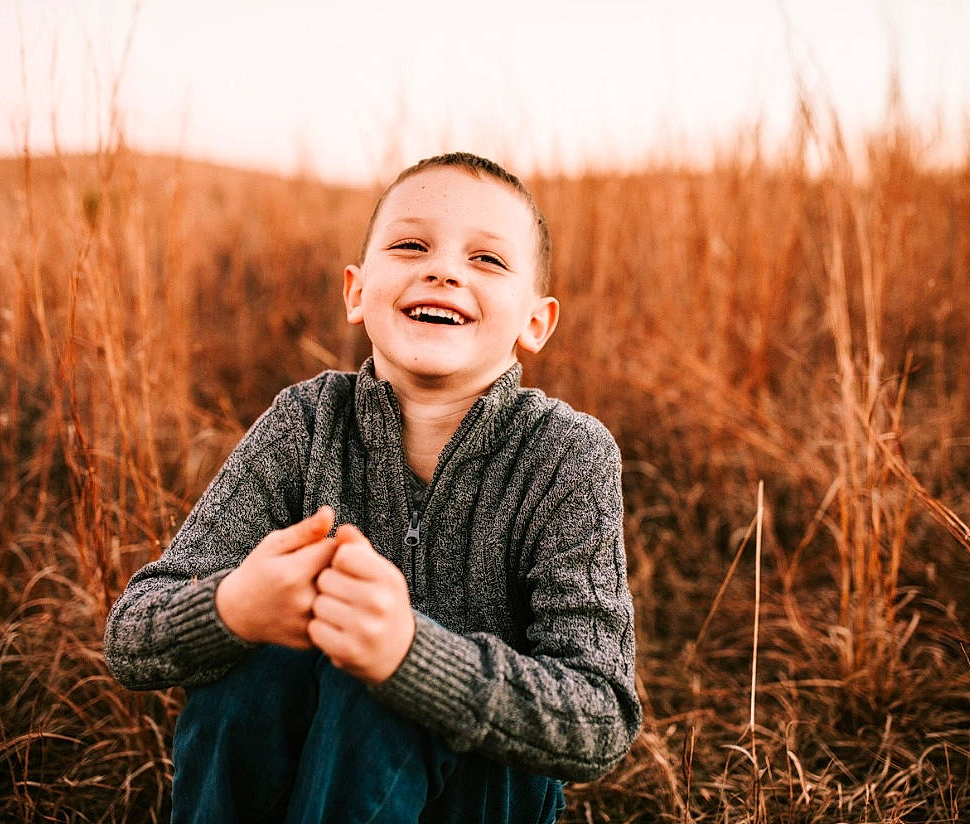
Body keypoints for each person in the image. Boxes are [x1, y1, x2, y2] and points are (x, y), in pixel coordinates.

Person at [104, 152, 642, 823]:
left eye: (487, 260)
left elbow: (601, 716)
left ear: (536, 321)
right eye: (411, 245)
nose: (443, 270)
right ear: (357, 291)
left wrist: (411, 656)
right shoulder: (304, 424)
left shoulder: (565, 454)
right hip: (306, 786)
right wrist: (235, 607)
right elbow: (130, 635)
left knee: (375, 688)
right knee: (253, 669)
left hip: (477, 798)